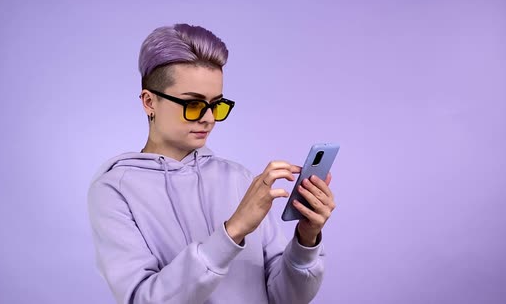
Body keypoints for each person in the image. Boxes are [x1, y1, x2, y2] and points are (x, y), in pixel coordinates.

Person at [87, 23, 336, 304]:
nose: (208, 118)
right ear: (149, 102)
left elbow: (286, 298)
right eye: (193, 104)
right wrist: (232, 231)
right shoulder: (114, 190)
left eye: (216, 104)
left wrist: (306, 238)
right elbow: (144, 299)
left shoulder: (241, 179)